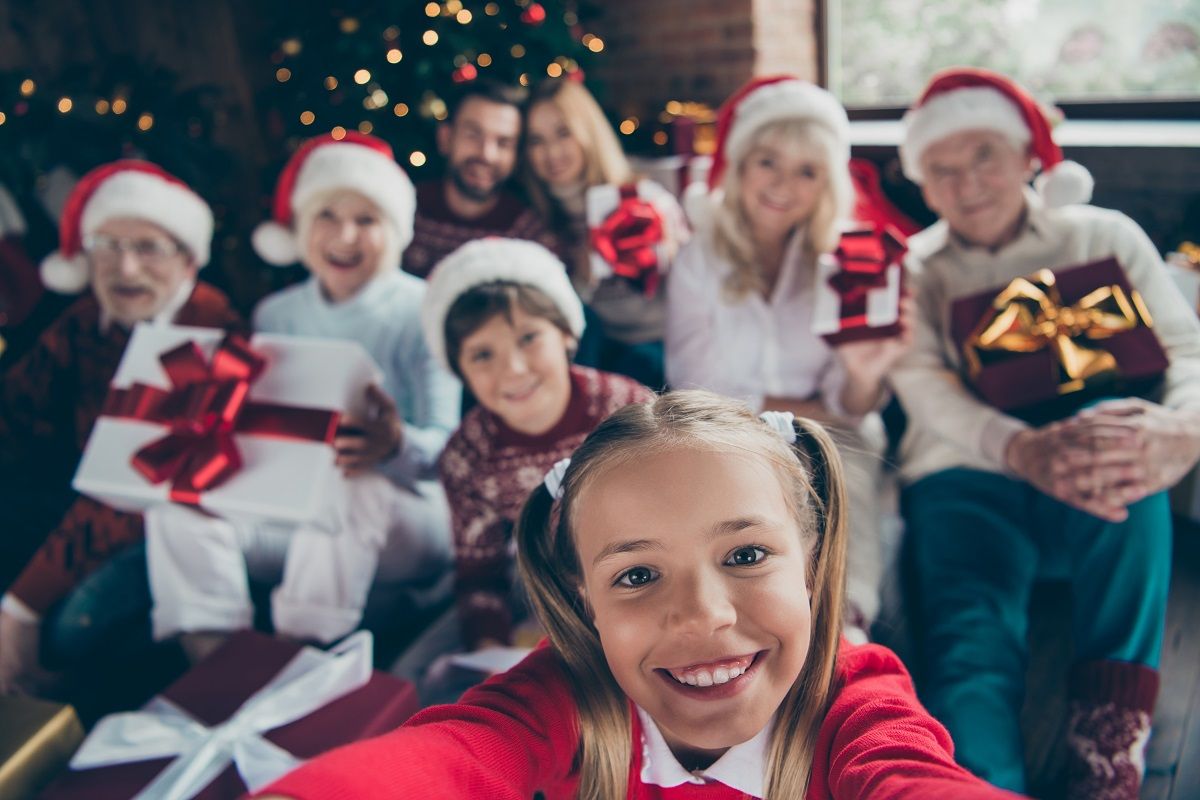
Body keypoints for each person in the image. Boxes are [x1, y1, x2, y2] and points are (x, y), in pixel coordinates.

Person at [255, 391, 1022, 799]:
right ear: (585, 600)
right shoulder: (567, 693)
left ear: (814, 568)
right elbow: (458, 754)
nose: (703, 615)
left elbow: (911, 778)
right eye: (636, 575)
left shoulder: (858, 698)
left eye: (747, 554)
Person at [891, 67, 1200, 799]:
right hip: (967, 472)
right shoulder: (918, 269)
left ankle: (1110, 747)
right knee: (970, 633)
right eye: (942, 169)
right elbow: (922, 383)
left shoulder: (1102, 233)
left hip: (1097, 445)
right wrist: (1017, 447)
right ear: (923, 186)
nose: (966, 184)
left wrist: (1183, 430)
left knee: (1133, 485)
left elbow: (1187, 349)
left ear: (1030, 154)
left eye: (984, 157)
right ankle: (984, 782)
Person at [146, 132, 460, 655]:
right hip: (298, 511)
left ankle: (302, 655)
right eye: (327, 216)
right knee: (176, 503)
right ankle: (216, 662)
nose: (345, 236)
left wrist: (395, 446)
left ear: (396, 231)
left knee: (353, 485)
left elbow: (450, 456)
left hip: (407, 514)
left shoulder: (425, 310)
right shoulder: (276, 314)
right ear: (299, 229)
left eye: (366, 219)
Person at [666, 76, 911, 643]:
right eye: (768, 162)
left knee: (852, 453)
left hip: (827, 433)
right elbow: (694, 384)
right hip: (717, 432)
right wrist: (807, 408)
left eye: (807, 171)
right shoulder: (700, 260)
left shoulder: (844, 264)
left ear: (827, 182)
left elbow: (851, 405)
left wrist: (863, 372)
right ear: (741, 165)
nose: (783, 185)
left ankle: (849, 626)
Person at [0, 160, 242, 694]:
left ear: (187, 261)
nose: (124, 268)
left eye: (148, 248)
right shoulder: (87, 320)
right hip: (77, 503)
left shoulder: (207, 331)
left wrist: (20, 608)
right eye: (106, 246)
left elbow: (135, 484)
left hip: (159, 518)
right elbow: (14, 408)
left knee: (65, 630)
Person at [391, 237, 652, 701]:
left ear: (567, 335)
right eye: (482, 355)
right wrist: (488, 646)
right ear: (460, 371)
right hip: (537, 575)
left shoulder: (626, 410)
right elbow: (479, 574)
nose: (512, 369)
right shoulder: (467, 456)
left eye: (529, 338)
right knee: (415, 677)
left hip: (643, 570)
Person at [521, 77, 689, 389]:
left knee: (638, 364)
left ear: (588, 134)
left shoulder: (643, 201)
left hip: (655, 342)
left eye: (563, 133)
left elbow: (692, 286)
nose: (551, 152)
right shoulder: (535, 220)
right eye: (536, 140)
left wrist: (666, 248)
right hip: (592, 346)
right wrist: (582, 279)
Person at [401, 79, 558, 279]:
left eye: (503, 143)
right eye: (473, 134)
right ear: (446, 138)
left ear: (516, 156)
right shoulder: (405, 208)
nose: (486, 155)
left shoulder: (530, 235)